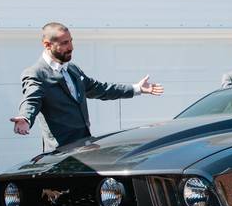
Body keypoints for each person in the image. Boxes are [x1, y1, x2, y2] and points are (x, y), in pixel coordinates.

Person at [10, 22, 163, 149]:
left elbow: (100, 89)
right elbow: (31, 99)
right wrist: (25, 117)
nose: (71, 47)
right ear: (47, 44)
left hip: (85, 145)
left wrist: (136, 88)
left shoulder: (73, 69)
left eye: (70, 41)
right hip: (59, 152)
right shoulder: (36, 73)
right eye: (64, 43)